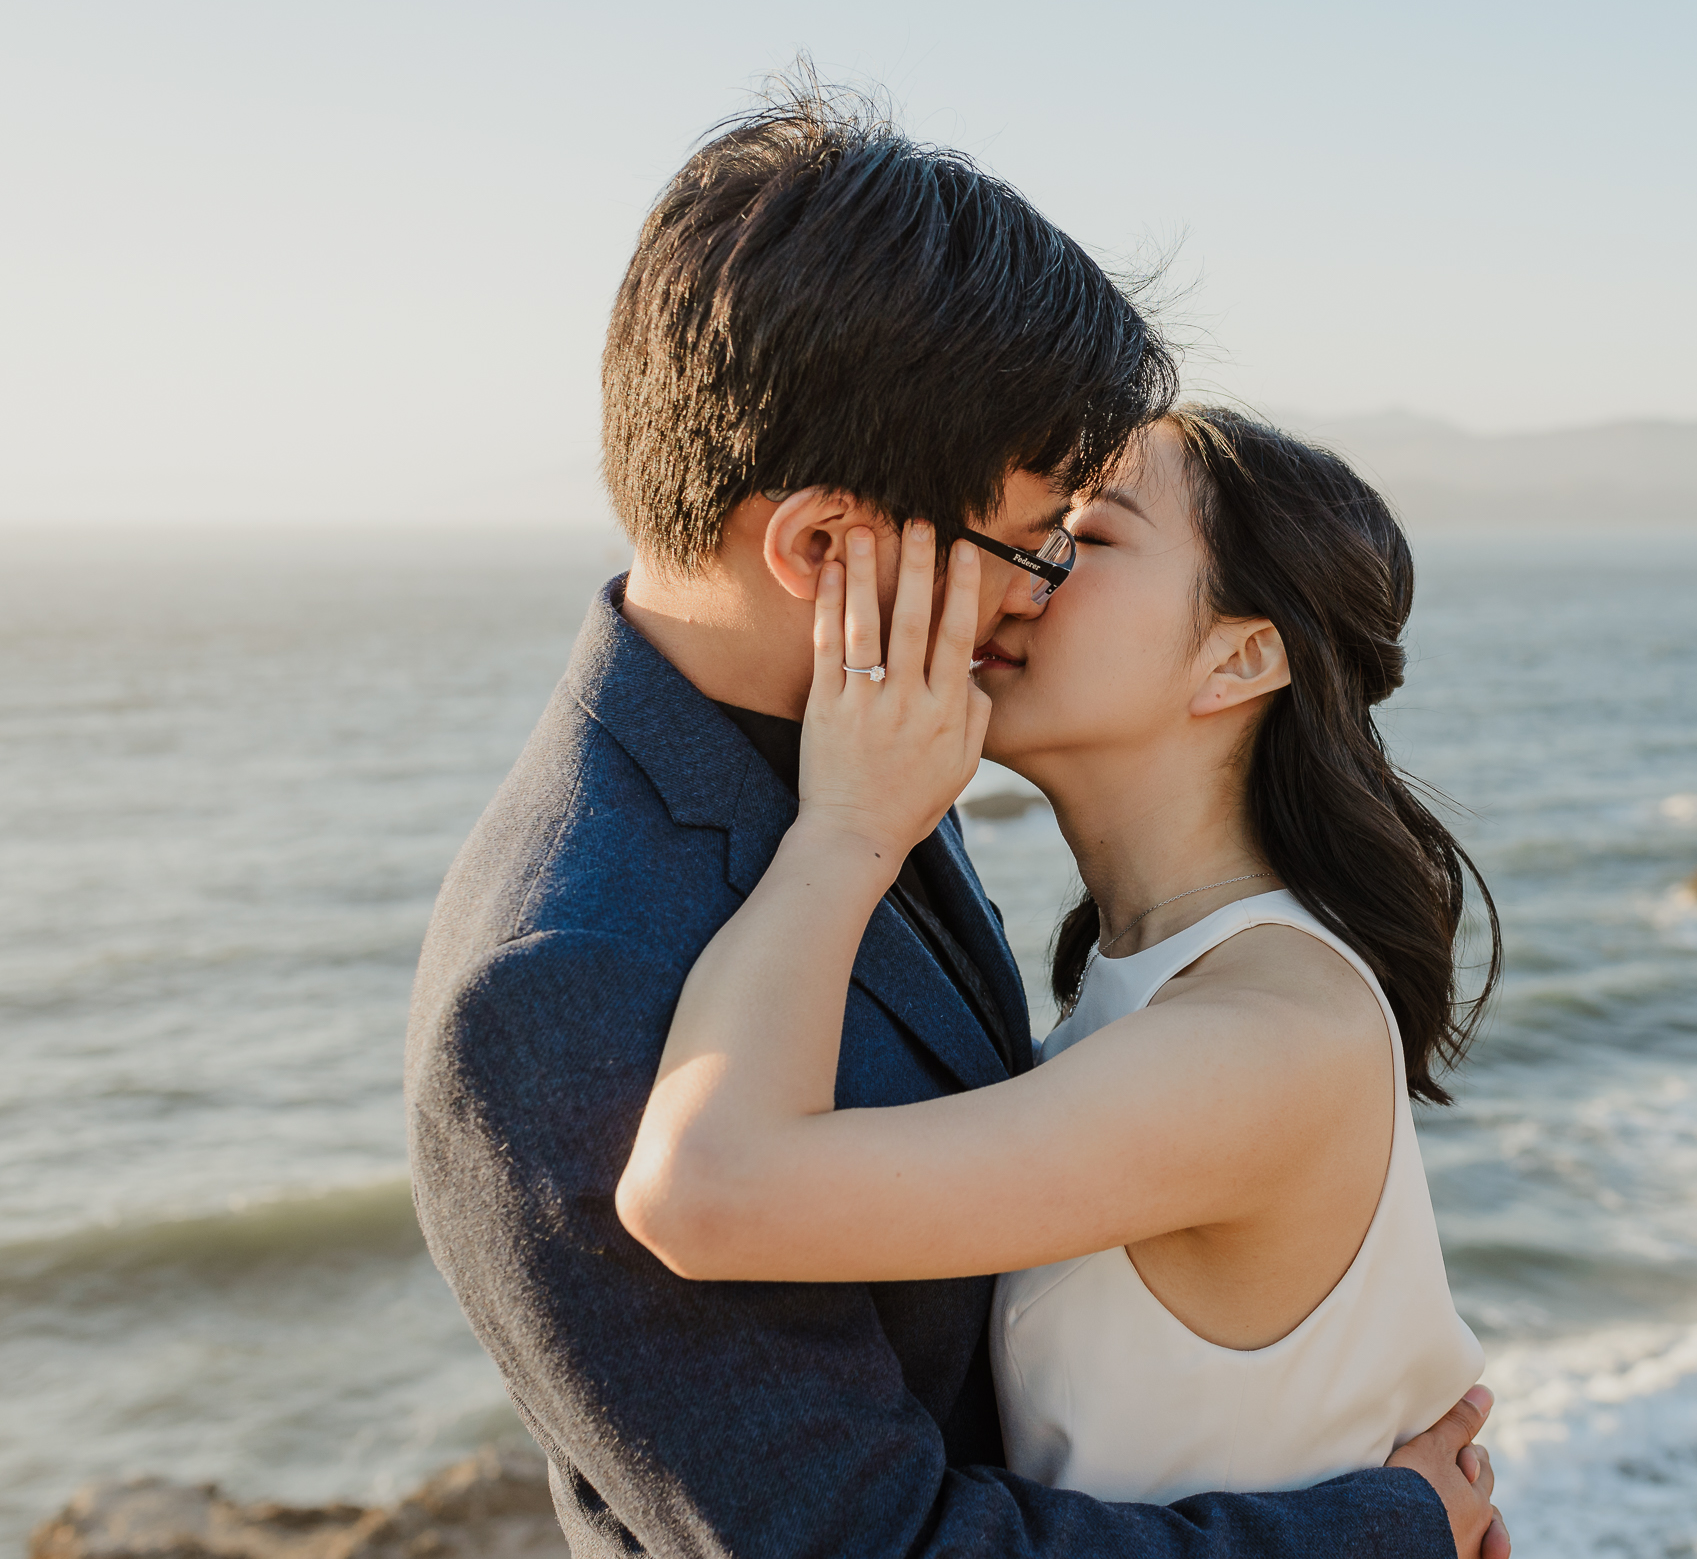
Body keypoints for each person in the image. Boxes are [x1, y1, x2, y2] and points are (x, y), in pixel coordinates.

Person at [406, 77, 1503, 1559]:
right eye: (1037, 536)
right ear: (821, 546)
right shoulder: (564, 977)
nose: (1039, 588)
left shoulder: (873, 754)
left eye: (1079, 541)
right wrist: (1385, 1524)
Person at [618, 406, 1504, 1516]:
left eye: (1086, 539)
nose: (1024, 576)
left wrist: (847, 829)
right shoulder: (1151, 981)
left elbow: (703, 1193)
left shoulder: (1262, 1041)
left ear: (1241, 655)